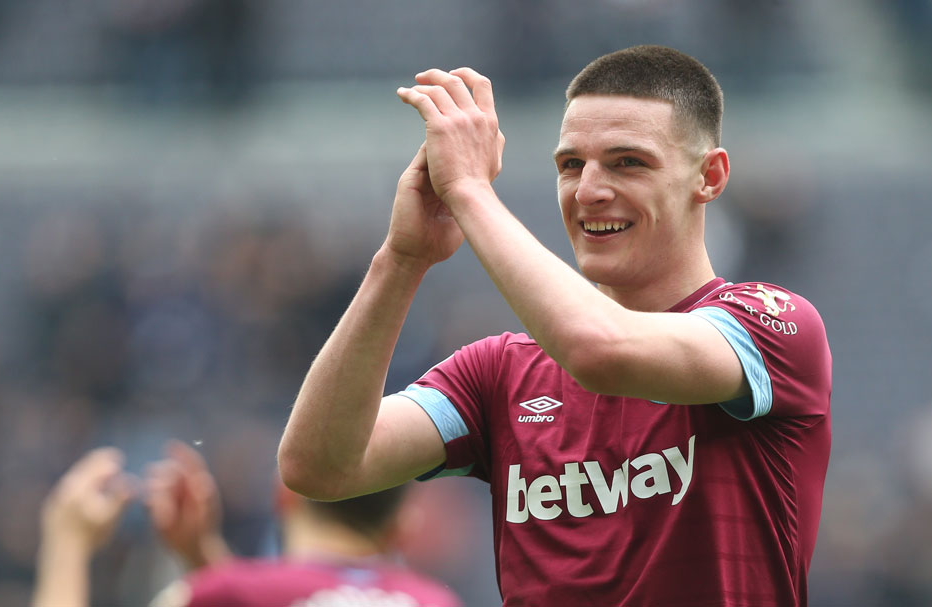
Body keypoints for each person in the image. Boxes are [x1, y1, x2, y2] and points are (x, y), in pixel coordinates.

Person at [278, 44, 832, 607]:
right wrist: (401, 259)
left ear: (709, 176)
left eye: (628, 162)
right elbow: (319, 467)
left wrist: (469, 191)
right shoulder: (500, 372)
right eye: (571, 165)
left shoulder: (769, 324)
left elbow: (598, 350)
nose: (588, 190)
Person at [32, 443, 463, 607]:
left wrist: (65, 542)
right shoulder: (438, 603)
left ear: (283, 494)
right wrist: (202, 557)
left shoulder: (220, 595)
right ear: (403, 527)